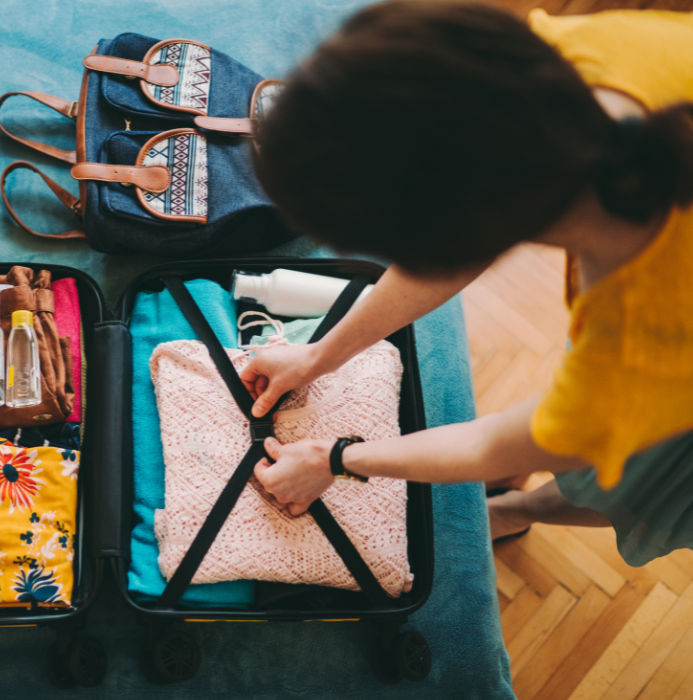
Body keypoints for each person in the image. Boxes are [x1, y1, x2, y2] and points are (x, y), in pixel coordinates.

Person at [243, 1, 693, 566]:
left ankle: (515, 511)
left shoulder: (637, 356)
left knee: (634, 488)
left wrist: (334, 459)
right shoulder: (601, 53)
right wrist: (318, 356)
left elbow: (495, 441)